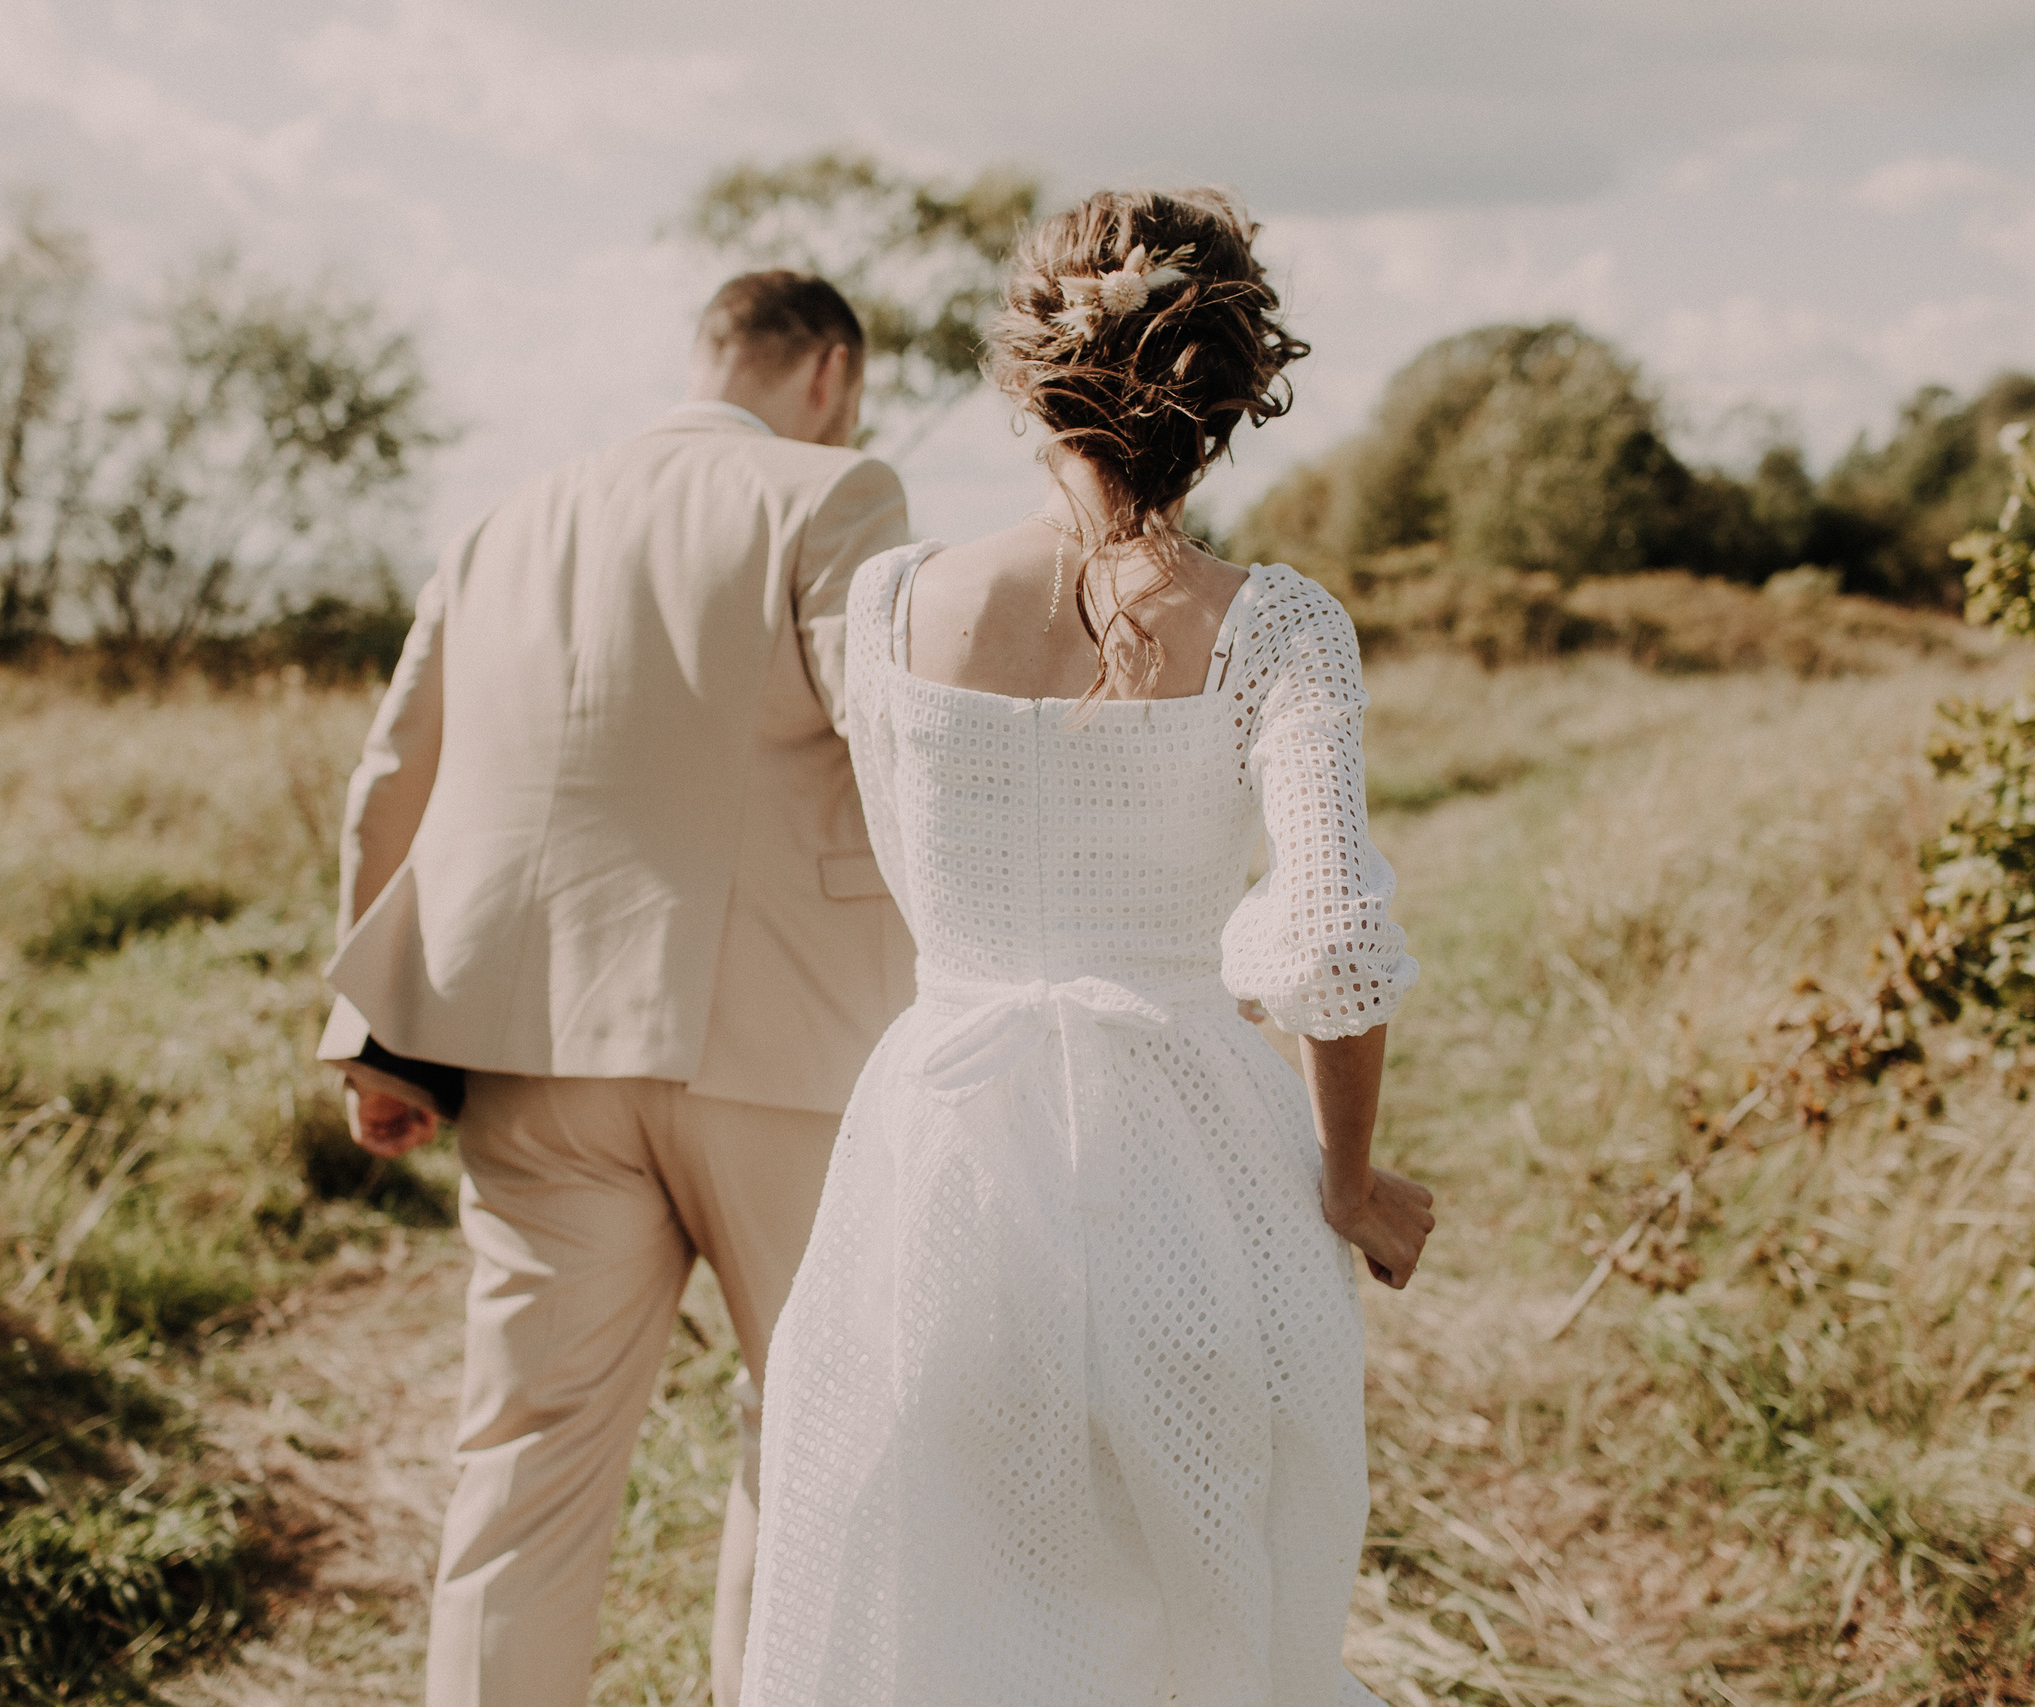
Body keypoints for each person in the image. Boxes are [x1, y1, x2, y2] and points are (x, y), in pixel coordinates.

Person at [742, 190, 1436, 1706]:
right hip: (1191, 1162)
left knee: (942, 1611)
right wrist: (1350, 1184)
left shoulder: (892, 603)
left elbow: (913, 870)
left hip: (939, 1151)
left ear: (1023, 374)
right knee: (1189, 1614)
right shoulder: (1280, 625)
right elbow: (1327, 945)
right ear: (1233, 395)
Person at [315, 271, 916, 1707]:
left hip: (534, 1061)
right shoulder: (834, 495)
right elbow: (905, 757)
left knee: (522, 1466)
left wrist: (378, 1038)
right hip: (787, 1048)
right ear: (828, 371)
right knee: (826, 1436)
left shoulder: (506, 519)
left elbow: (389, 778)